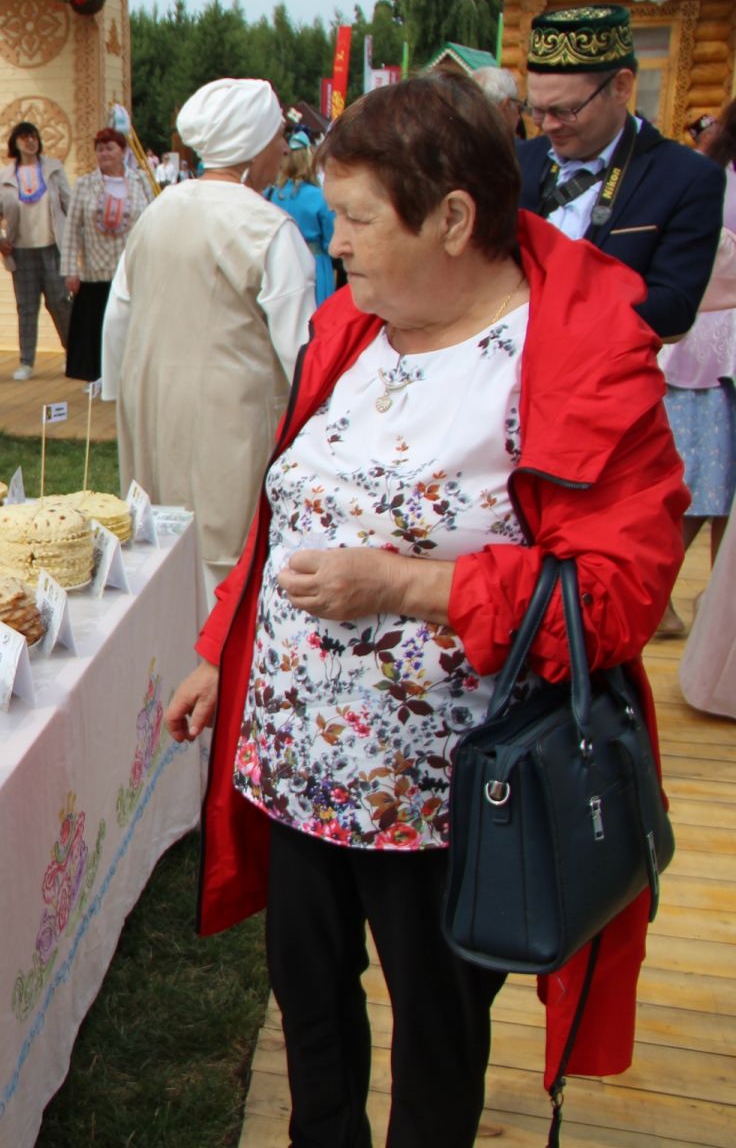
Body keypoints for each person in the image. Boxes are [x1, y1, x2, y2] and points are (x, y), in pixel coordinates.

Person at [164, 72, 685, 1147]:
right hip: (298, 760)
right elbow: (287, 512)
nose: (335, 245)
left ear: (453, 217)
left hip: (449, 791)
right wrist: (225, 651)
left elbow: (618, 598)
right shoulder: (356, 328)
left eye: (356, 220)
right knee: (310, 1005)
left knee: (437, 1035)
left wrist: (412, 585)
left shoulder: (573, 355)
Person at [102, 78, 314, 587]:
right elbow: (305, 354)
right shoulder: (269, 228)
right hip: (233, 422)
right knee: (230, 561)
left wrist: (121, 396)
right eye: (277, 136)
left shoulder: (157, 213)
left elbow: (118, 319)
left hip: (153, 409)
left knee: (162, 553)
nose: (284, 148)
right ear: (253, 144)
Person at [518, 4, 725, 339]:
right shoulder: (516, 160)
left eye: (564, 110)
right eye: (536, 110)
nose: (548, 126)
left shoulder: (687, 178)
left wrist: (548, 299)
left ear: (621, 88)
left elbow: (672, 310)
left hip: (601, 380)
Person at [658, 98, 736, 636]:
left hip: (701, 346)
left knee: (710, 485)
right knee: (708, 485)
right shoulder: (717, 182)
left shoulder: (711, 173)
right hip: (714, 351)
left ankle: (715, 605)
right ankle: (680, 600)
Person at [59, 128, 151, 380]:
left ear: (123, 151)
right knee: (97, 323)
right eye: (100, 149)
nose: (105, 153)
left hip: (132, 267)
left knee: (131, 323)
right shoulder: (85, 184)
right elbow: (72, 228)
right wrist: (70, 270)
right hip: (95, 269)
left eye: (110, 148)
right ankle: (97, 376)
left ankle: (130, 374)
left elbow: (152, 220)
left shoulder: (140, 180)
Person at [0, 121, 73, 380]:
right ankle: (26, 361)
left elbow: (68, 202)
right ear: (15, 142)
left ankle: (73, 354)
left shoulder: (53, 169)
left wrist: (75, 239)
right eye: (25, 137)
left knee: (60, 302)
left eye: (34, 137)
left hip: (52, 246)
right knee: (26, 307)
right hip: (21, 250)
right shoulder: (5, 176)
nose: (30, 141)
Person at [265, 131, 338, 306]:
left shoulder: (272, 194)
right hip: (315, 263)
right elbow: (332, 238)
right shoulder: (319, 196)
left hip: (280, 263)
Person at [470, 64, 526, 140]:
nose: (519, 117)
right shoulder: (521, 150)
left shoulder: (456, 144)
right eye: (518, 108)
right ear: (506, 106)